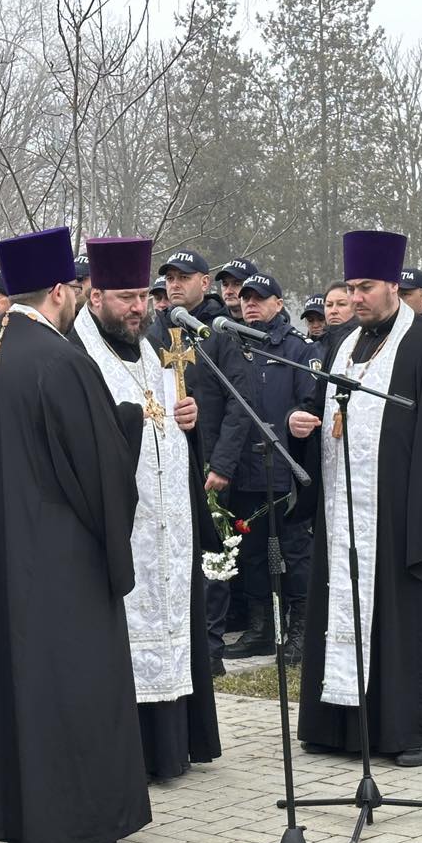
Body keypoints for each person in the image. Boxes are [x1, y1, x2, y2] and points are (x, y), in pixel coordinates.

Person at [0, 225, 152, 843]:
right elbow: (97, 469)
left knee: (14, 683)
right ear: (61, 292)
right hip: (62, 558)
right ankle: (75, 822)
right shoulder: (61, 361)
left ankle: (17, 817)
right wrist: (128, 426)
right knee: (69, 684)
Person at [290, 230, 422, 767]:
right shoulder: (343, 344)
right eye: (351, 288)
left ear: (392, 286)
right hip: (344, 508)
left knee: (407, 619)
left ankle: (414, 729)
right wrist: (301, 424)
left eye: (366, 288)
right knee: (341, 607)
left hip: (405, 512)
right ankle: (337, 724)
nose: (355, 298)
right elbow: (323, 408)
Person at [67, 236, 221, 782]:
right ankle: (130, 750)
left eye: (142, 297)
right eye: (126, 298)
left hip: (165, 522)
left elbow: (166, 427)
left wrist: (189, 421)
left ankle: (171, 746)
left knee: (171, 617)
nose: (138, 308)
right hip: (119, 527)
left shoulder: (153, 352)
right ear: (95, 297)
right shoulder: (78, 355)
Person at [153, 247, 252, 674]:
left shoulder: (220, 333)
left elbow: (240, 403)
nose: (174, 284)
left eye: (184, 277)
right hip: (163, 465)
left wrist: (222, 464)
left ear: (204, 282)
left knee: (212, 557)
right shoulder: (153, 333)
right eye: (170, 278)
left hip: (209, 464)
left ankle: (209, 648)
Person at [221, 272, 316, 664]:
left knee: (294, 552)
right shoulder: (231, 343)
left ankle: (301, 629)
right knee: (253, 553)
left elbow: (312, 400)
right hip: (244, 468)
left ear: (279, 304)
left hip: (284, 468)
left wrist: (298, 416)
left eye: (259, 298)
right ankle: (261, 629)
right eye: (245, 298)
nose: (250, 304)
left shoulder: (296, 348)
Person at [215, 256, 257, 321]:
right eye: (225, 284)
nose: (228, 291)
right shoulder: (211, 320)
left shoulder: (268, 322)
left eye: (237, 284)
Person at [322, 280, 358, 353]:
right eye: (329, 305)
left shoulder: (362, 342)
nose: (333, 311)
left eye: (341, 304)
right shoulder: (315, 346)